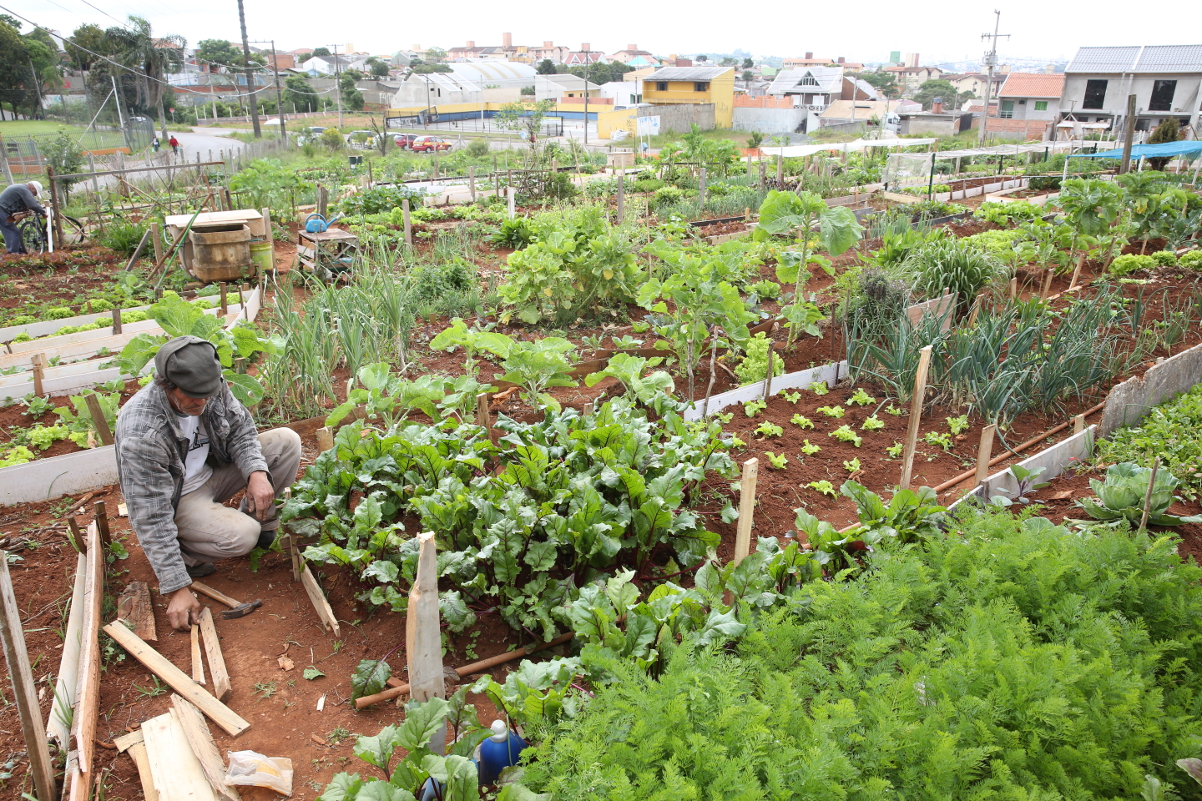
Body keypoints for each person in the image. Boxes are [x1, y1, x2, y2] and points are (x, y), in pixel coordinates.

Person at [114, 336, 302, 631]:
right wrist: (176, 587)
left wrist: (256, 472)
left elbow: (241, 429)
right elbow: (150, 515)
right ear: (166, 384)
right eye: (192, 396)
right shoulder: (142, 433)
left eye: (206, 395)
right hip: (178, 497)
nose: (201, 402)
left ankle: (262, 519)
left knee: (286, 441)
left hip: (212, 470)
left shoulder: (209, 387)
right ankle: (185, 554)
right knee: (243, 536)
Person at [0, 181, 47, 255]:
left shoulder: (20, 188)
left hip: (3, 210)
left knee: (12, 231)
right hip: (2, 211)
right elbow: (32, 204)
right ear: (32, 188)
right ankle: (13, 253)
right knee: (13, 232)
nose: (33, 195)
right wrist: (44, 212)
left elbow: (21, 202)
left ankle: (19, 252)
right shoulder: (24, 189)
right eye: (34, 193)